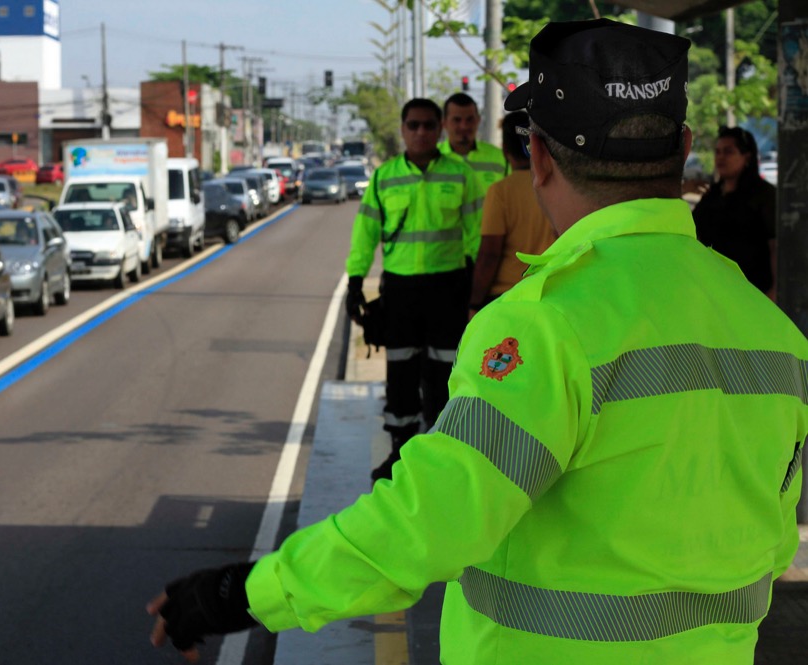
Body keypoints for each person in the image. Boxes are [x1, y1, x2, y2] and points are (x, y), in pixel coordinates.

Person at [148, 19, 808, 664]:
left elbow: (427, 525)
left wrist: (243, 593)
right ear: (683, 145)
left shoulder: (545, 324)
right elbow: (776, 546)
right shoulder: (773, 331)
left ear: (539, 156)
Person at [343, 97, 479, 482]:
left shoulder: (461, 175)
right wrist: (355, 281)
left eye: (428, 125)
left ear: (440, 130)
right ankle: (400, 450)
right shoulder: (384, 178)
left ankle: (438, 452)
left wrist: (475, 287)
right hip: (401, 292)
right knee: (400, 371)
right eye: (413, 125)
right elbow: (365, 234)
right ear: (403, 130)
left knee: (444, 372)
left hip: (448, 289)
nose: (421, 132)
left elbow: (477, 233)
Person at [468, 111, 556, 317]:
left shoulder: (500, 191)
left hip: (506, 296)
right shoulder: (554, 186)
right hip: (548, 290)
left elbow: (489, 255)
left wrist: (474, 303)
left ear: (505, 149)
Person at [692, 126, 777, 300]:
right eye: (718, 152)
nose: (720, 157)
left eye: (728, 152)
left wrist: (775, 290)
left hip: (752, 290)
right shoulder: (712, 195)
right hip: (713, 289)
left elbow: (775, 245)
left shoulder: (763, 195)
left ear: (747, 157)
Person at [438, 93, 509, 231]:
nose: (464, 126)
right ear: (444, 123)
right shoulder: (433, 160)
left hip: (491, 241)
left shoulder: (500, 158)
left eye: (469, 119)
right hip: (448, 244)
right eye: (457, 120)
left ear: (478, 120)